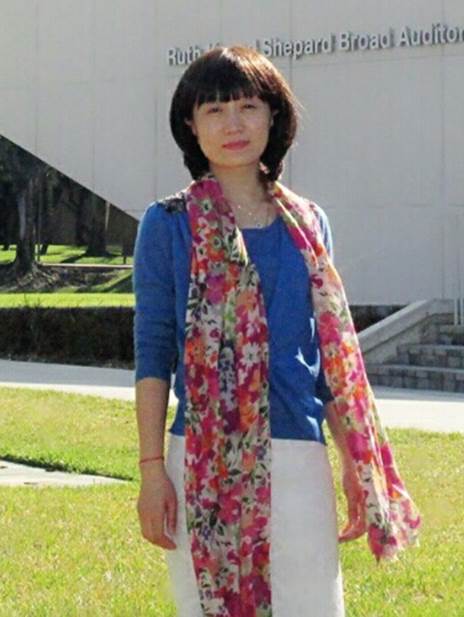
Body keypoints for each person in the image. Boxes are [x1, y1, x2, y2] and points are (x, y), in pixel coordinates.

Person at [133, 46, 420, 617]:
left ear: (273, 116)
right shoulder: (167, 225)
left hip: (297, 454)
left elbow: (326, 362)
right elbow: (153, 352)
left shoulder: (308, 224)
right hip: (202, 460)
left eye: (248, 106)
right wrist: (150, 471)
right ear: (191, 125)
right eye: (215, 110)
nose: (233, 124)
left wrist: (354, 464)